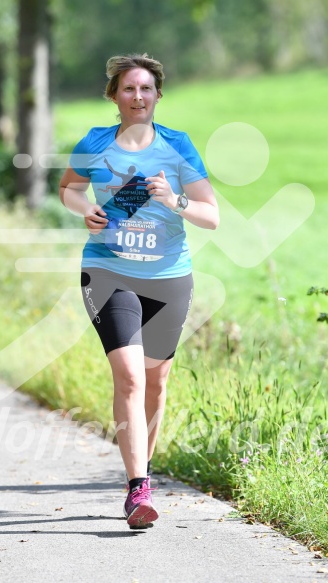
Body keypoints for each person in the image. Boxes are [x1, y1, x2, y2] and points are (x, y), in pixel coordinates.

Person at [59, 53, 219, 529]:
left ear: (158, 95)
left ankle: (142, 474)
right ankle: (137, 491)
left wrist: (175, 199)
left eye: (146, 88)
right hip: (108, 272)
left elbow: (211, 215)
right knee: (129, 377)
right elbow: (68, 188)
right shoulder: (95, 142)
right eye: (128, 88)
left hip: (170, 276)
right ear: (114, 95)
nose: (138, 96)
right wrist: (83, 209)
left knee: (156, 381)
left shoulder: (177, 146)